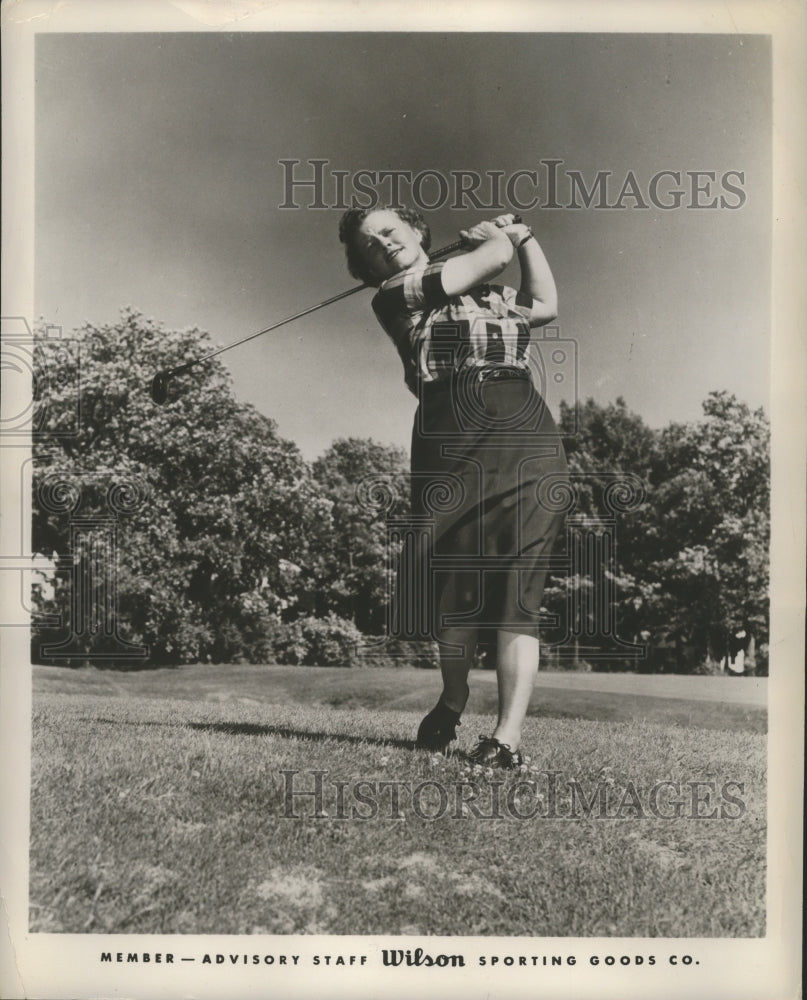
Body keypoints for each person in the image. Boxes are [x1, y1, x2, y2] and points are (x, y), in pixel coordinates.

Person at [338, 206, 569, 769]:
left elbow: (544, 306)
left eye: (391, 231)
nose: (383, 245)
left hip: (523, 428)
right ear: (366, 265)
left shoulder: (490, 296)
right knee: (458, 590)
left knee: (519, 587)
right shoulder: (394, 294)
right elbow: (490, 257)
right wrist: (500, 236)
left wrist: (525, 236)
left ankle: (506, 739)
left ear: (419, 232)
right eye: (369, 246)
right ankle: (453, 696)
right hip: (450, 433)